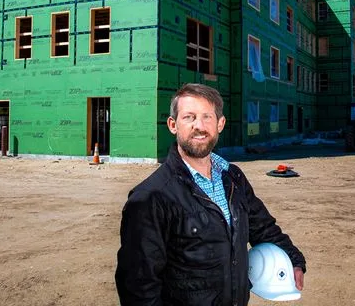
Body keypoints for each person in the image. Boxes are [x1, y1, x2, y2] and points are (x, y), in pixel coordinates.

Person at [115, 83, 306, 305]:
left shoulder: (233, 177)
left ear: (220, 124)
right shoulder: (151, 197)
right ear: (173, 125)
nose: (199, 126)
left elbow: (262, 227)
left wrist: (293, 258)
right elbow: (139, 287)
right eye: (189, 117)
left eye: (207, 117)